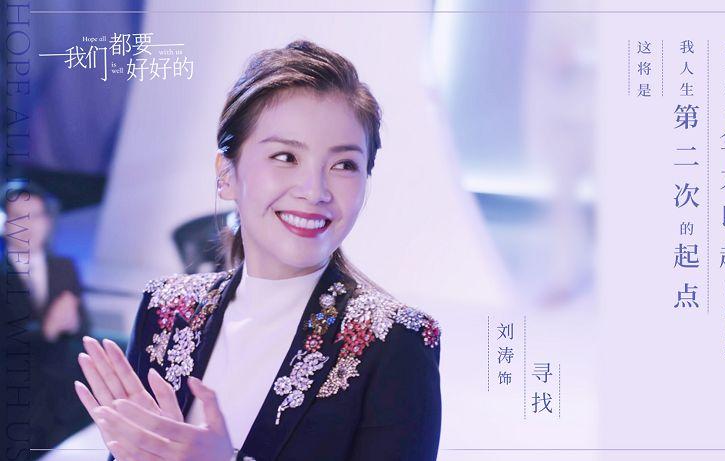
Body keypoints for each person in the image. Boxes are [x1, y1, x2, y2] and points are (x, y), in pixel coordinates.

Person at [73, 40, 442, 461]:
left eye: (344, 165)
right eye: (285, 157)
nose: (315, 191)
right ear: (226, 174)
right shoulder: (168, 309)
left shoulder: (395, 342)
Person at [0, 181, 92, 457]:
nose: (28, 225)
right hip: (12, 394)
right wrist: (45, 330)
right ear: (5, 223)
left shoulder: (64, 267)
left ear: (47, 221)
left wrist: (73, 323)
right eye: (18, 217)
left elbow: (83, 325)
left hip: (60, 394)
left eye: (36, 216)